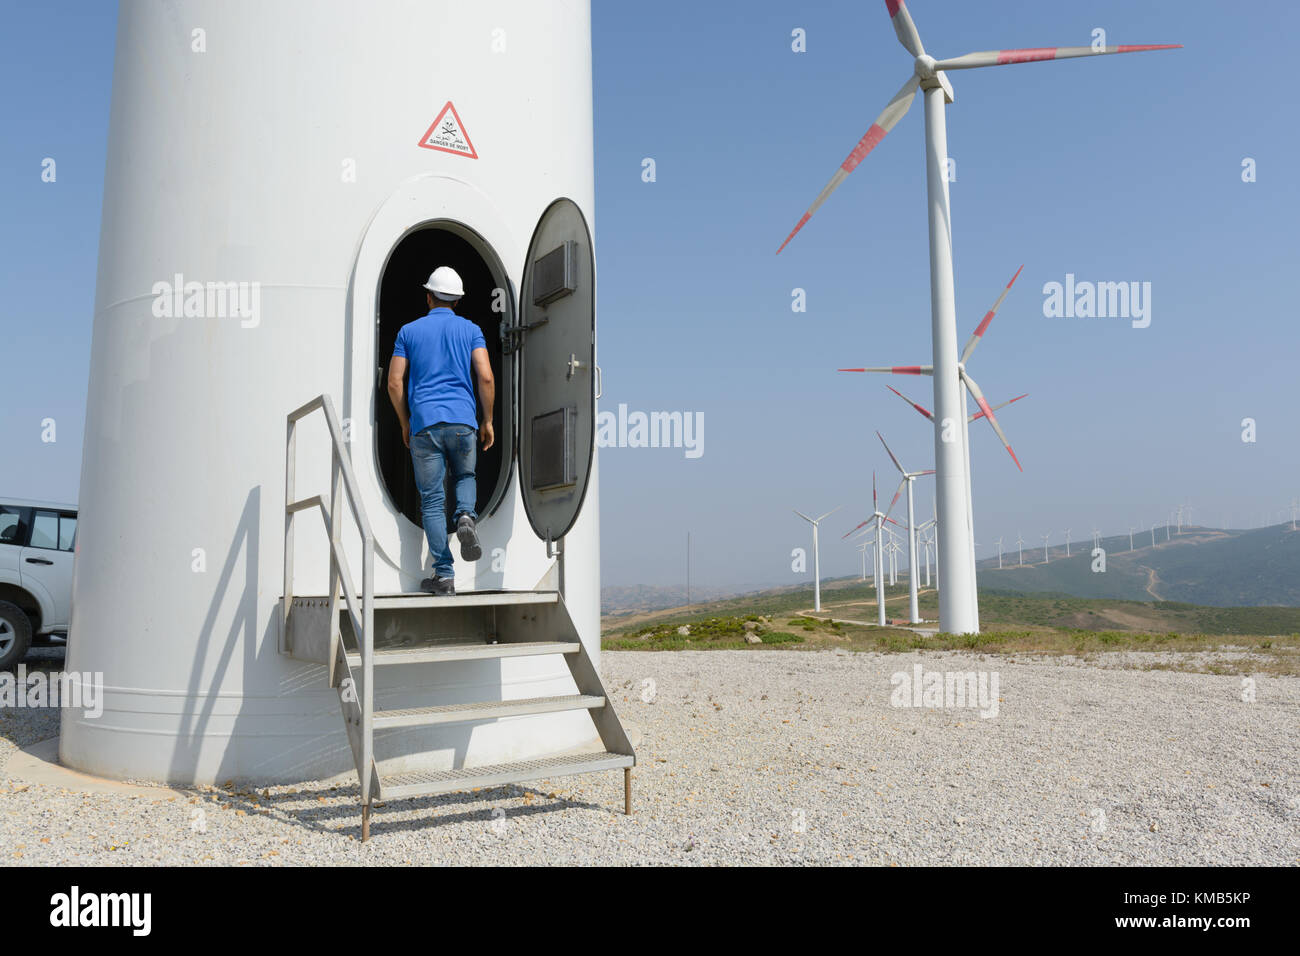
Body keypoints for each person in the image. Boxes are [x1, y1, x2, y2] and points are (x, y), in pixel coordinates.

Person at [386, 266, 495, 594]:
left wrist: (405, 422)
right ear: (458, 301)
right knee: (465, 477)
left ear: (428, 296)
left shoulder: (408, 331)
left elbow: (394, 382)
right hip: (463, 422)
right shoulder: (472, 330)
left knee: (433, 501)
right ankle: (465, 516)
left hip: (425, 426)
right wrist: (487, 420)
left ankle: (444, 576)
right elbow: (486, 376)